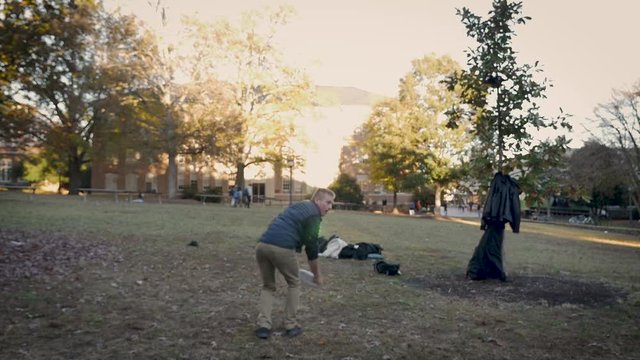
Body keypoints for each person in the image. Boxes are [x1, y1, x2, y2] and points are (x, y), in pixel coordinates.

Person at [254, 188, 335, 339]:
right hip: (282, 248)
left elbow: (277, 219)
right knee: (294, 283)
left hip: (262, 245)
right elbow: (311, 249)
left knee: (268, 286)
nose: (330, 207)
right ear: (317, 200)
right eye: (328, 202)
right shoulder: (314, 216)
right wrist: (317, 276)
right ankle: (290, 325)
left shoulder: (299, 206)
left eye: (332, 203)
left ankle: (263, 326)